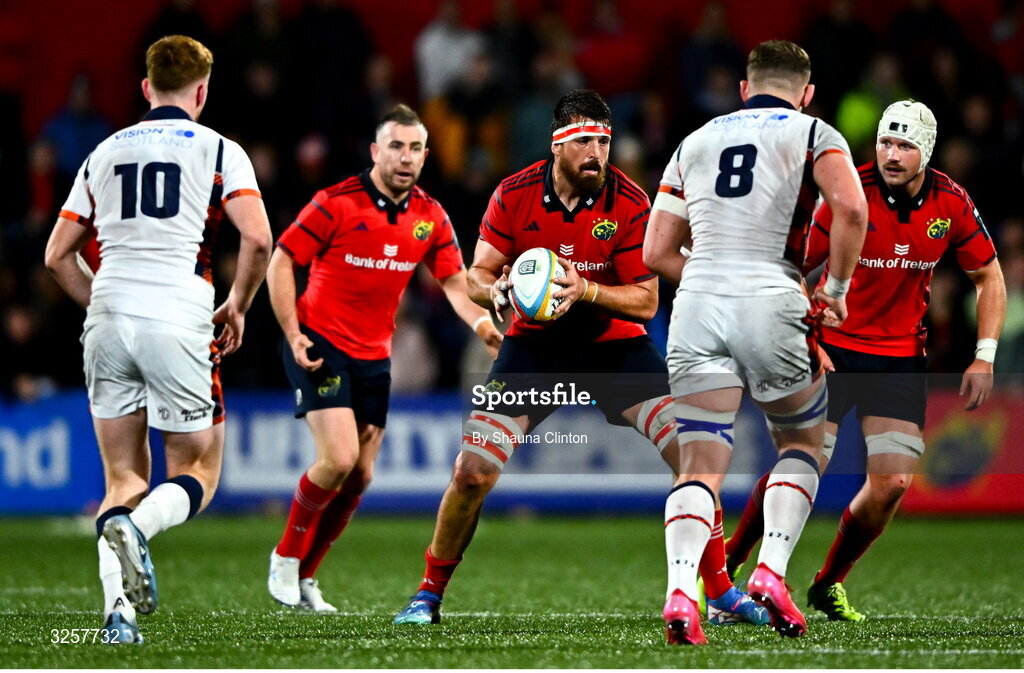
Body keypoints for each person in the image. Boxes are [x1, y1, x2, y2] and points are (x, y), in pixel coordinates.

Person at [392, 89, 768, 630]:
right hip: (535, 348)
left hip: (613, 347)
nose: (598, 153)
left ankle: (721, 591)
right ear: (557, 145)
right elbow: (477, 274)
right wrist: (494, 292)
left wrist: (586, 290)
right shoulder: (513, 193)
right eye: (585, 141)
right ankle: (428, 594)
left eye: (604, 141)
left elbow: (646, 299)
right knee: (471, 472)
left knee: (692, 455)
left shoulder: (632, 202)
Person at [722, 99, 1006, 622]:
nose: (892, 155)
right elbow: (791, 268)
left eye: (905, 146)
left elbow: (989, 276)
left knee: (893, 483)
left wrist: (983, 356)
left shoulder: (952, 203)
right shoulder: (847, 191)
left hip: (899, 358)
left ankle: (827, 583)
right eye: (885, 142)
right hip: (830, 349)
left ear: (928, 152)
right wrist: (801, 332)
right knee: (803, 463)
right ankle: (724, 569)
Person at [43, 35, 273, 644]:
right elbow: (257, 241)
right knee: (198, 467)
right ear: (202, 91)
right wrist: (239, 306)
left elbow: (57, 256)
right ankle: (140, 530)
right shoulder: (222, 150)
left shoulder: (102, 152)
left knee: (120, 481)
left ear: (146, 89)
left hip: (109, 316)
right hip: (178, 316)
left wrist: (105, 305)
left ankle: (117, 613)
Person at [643, 40, 868, 644]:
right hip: (773, 295)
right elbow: (850, 208)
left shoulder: (695, 140)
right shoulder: (815, 131)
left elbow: (655, 252)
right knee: (804, 439)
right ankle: (770, 572)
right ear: (807, 92)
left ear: (744, 88)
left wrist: (710, 279)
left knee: (698, 464)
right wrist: (837, 291)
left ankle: (680, 596)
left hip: (697, 302)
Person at [266, 104, 503, 611]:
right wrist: (292, 332)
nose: (406, 157)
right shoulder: (335, 203)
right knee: (339, 458)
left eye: (416, 148)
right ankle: (285, 558)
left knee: (362, 476)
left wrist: (482, 323)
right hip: (319, 343)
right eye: (396, 146)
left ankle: (307, 577)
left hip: (375, 355)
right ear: (375, 152)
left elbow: (455, 282)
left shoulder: (430, 216)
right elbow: (283, 260)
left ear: (425, 155)